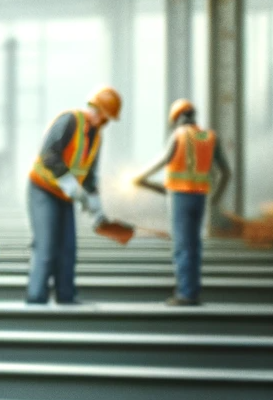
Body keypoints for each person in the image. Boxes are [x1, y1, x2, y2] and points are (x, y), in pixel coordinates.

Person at [25, 87, 121, 305]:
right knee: (46, 246)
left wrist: (96, 207)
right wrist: (69, 183)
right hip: (43, 189)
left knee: (67, 248)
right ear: (96, 108)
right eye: (103, 114)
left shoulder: (96, 136)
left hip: (65, 195)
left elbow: (88, 175)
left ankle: (66, 296)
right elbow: (48, 154)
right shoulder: (70, 121)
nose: (103, 120)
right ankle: (36, 299)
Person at [134, 99, 231, 306]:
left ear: (177, 118)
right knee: (194, 244)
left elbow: (163, 160)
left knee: (182, 246)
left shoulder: (179, 135)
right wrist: (216, 198)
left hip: (180, 197)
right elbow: (226, 173)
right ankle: (192, 290)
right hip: (200, 197)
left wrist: (138, 177)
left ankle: (186, 294)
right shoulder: (210, 137)